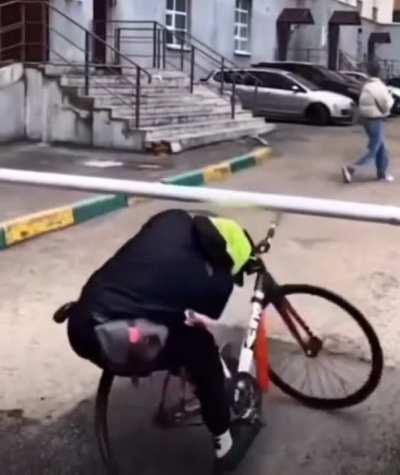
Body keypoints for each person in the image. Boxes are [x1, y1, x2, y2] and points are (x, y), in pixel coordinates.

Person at [61, 209, 260, 473]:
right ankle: (224, 443)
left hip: (82, 315)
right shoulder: (212, 283)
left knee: (177, 331)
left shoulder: (172, 220)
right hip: (110, 337)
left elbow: (158, 283)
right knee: (201, 348)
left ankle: (187, 373)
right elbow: (209, 307)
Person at [342, 62, 394, 183]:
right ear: (379, 72)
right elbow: (386, 106)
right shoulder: (378, 86)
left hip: (367, 119)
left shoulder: (368, 85)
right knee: (374, 149)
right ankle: (351, 168)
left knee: (382, 148)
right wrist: (390, 99)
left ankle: (382, 174)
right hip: (375, 120)